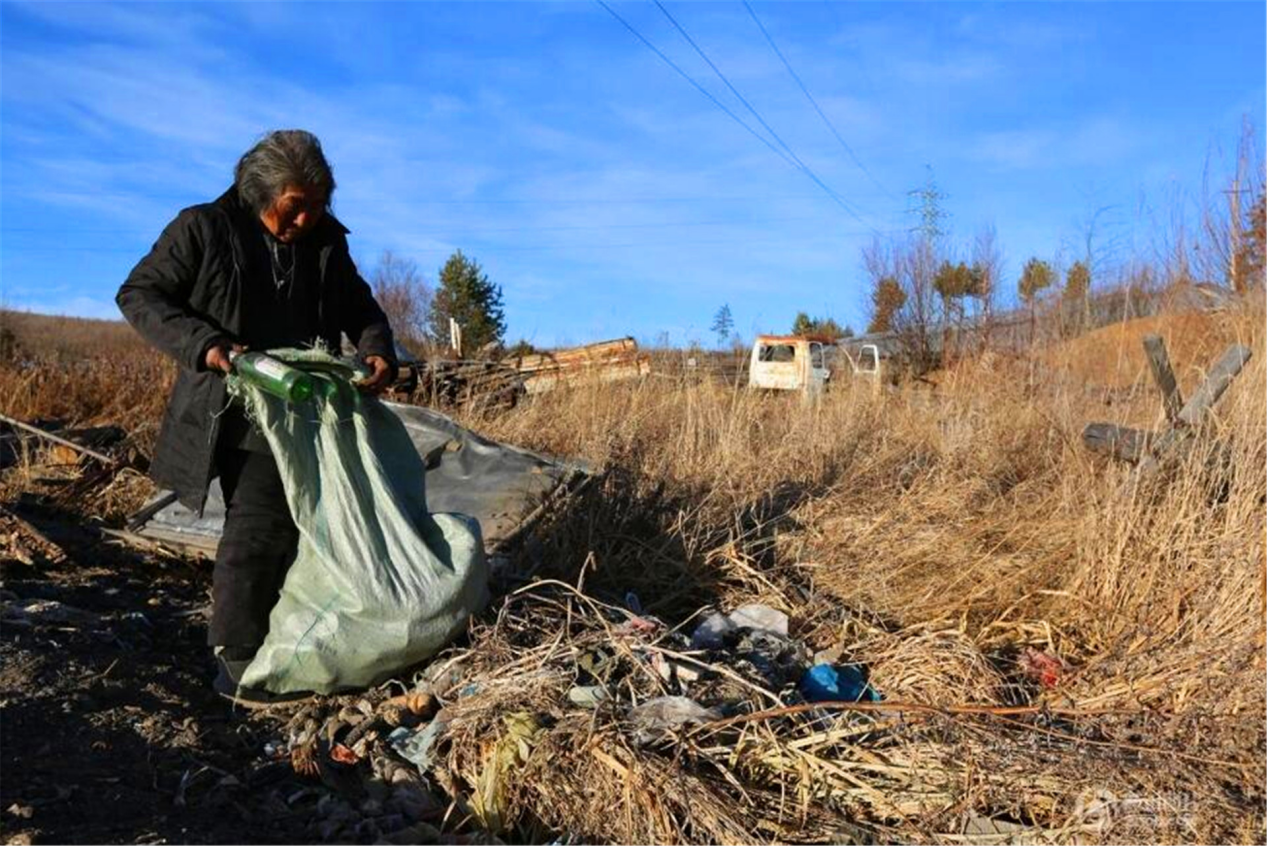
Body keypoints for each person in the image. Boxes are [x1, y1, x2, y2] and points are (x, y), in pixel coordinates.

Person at [117, 130, 398, 706]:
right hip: (234, 406)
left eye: (318, 208)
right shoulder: (203, 228)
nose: (306, 221)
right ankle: (236, 657)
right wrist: (208, 343)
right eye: (295, 208)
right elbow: (140, 295)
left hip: (305, 408)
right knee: (260, 524)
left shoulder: (326, 243)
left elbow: (362, 307)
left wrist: (376, 348)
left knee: (302, 527)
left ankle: (281, 638)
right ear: (259, 193)